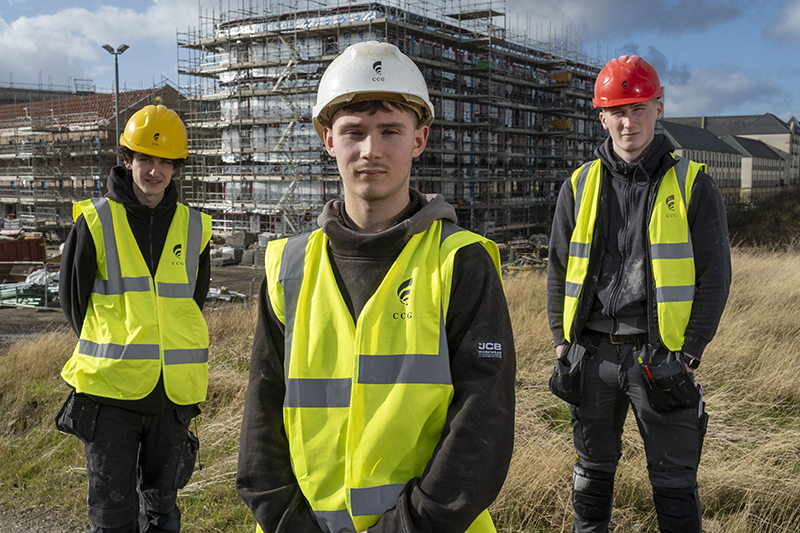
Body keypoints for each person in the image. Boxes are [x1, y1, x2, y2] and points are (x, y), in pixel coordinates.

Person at [236, 41, 516, 533]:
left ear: (420, 139)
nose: (371, 150)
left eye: (390, 131)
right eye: (353, 132)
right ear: (328, 139)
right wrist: (288, 522)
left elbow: (482, 422)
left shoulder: (460, 262)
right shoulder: (289, 266)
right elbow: (262, 414)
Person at [546, 55, 731, 533]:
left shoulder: (694, 185)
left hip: (661, 358)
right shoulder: (579, 185)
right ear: (601, 116)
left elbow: (715, 276)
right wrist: (562, 343)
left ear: (659, 108)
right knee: (591, 477)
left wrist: (689, 353)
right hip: (592, 355)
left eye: (640, 108)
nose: (629, 122)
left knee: (674, 485)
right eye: (618, 111)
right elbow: (558, 268)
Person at [57, 104, 212, 533]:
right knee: (112, 519)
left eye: (165, 162)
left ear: (176, 168)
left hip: (172, 399)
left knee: (164, 515)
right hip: (111, 399)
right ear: (127, 160)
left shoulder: (195, 228)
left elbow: (191, 303)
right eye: (146, 158)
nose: (154, 171)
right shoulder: (95, 221)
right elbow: (73, 302)